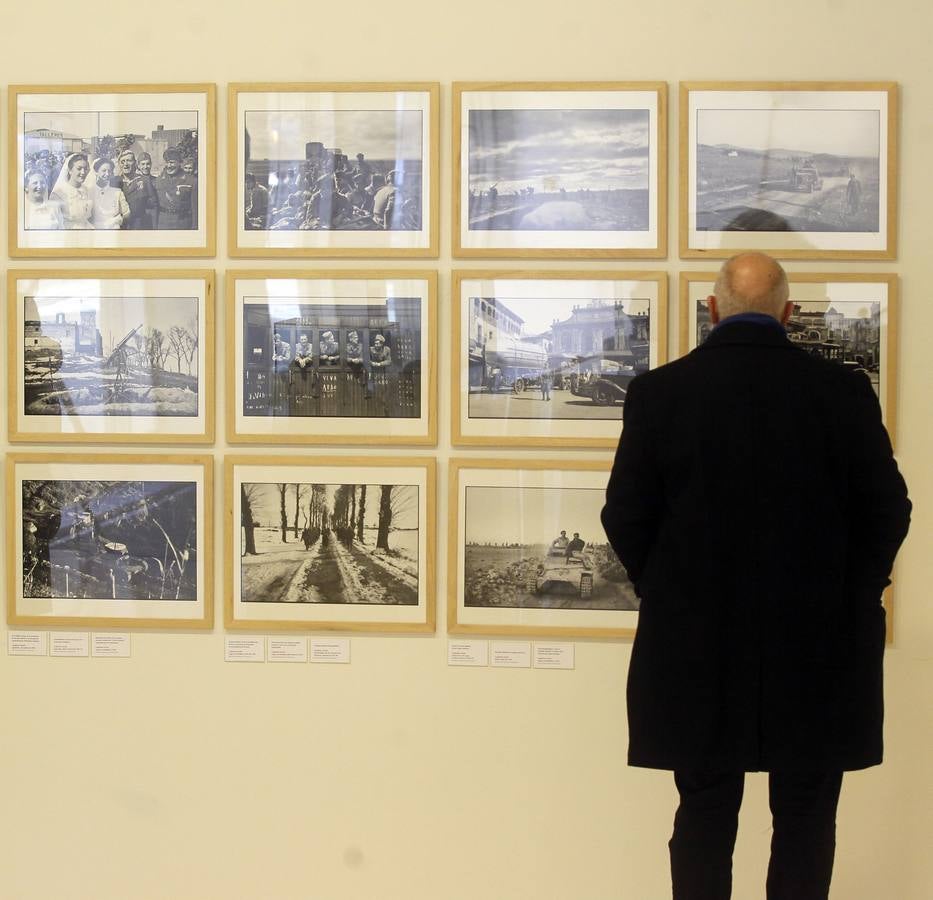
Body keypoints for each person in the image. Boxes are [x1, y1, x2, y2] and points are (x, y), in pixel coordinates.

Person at [601, 252, 911, 900]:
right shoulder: (842, 391)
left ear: (711, 309)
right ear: (788, 313)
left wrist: (666, 593)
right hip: (819, 649)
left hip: (697, 648)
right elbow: (887, 511)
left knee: (703, 816)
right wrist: (852, 595)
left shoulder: (659, 392)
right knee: (804, 818)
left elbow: (624, 516)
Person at [114, 149, 157, 230]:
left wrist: (154, 229)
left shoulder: (145, 180)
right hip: (121, 226)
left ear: (135, 163)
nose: (125, 164)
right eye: (122, 162)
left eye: (129, 161)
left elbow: (153, 207)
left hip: (140, 226)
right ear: (119, 164)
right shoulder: (115, 182)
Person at [50, 153, 94, 229]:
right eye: (79, 168)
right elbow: (55, 222)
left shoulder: (86, 190)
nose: (83, 172)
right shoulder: (58, 194)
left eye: (85, 168)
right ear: (70, 171)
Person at [156, 148, 195, 229]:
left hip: (182, 223)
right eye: (167, 162)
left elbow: (195, 209)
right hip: (163, 223)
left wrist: (194, 229)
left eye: (172, 163)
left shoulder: (190, 181)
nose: (169, 166)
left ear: (179, 163)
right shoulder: (159, 180)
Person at [89, 158, 130, 229]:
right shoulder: (89, 192)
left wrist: (116, 220)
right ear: (96, 172)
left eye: (109, 171)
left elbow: (127, 213)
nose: (107, 174)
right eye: (104, 171)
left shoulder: (117, 192)